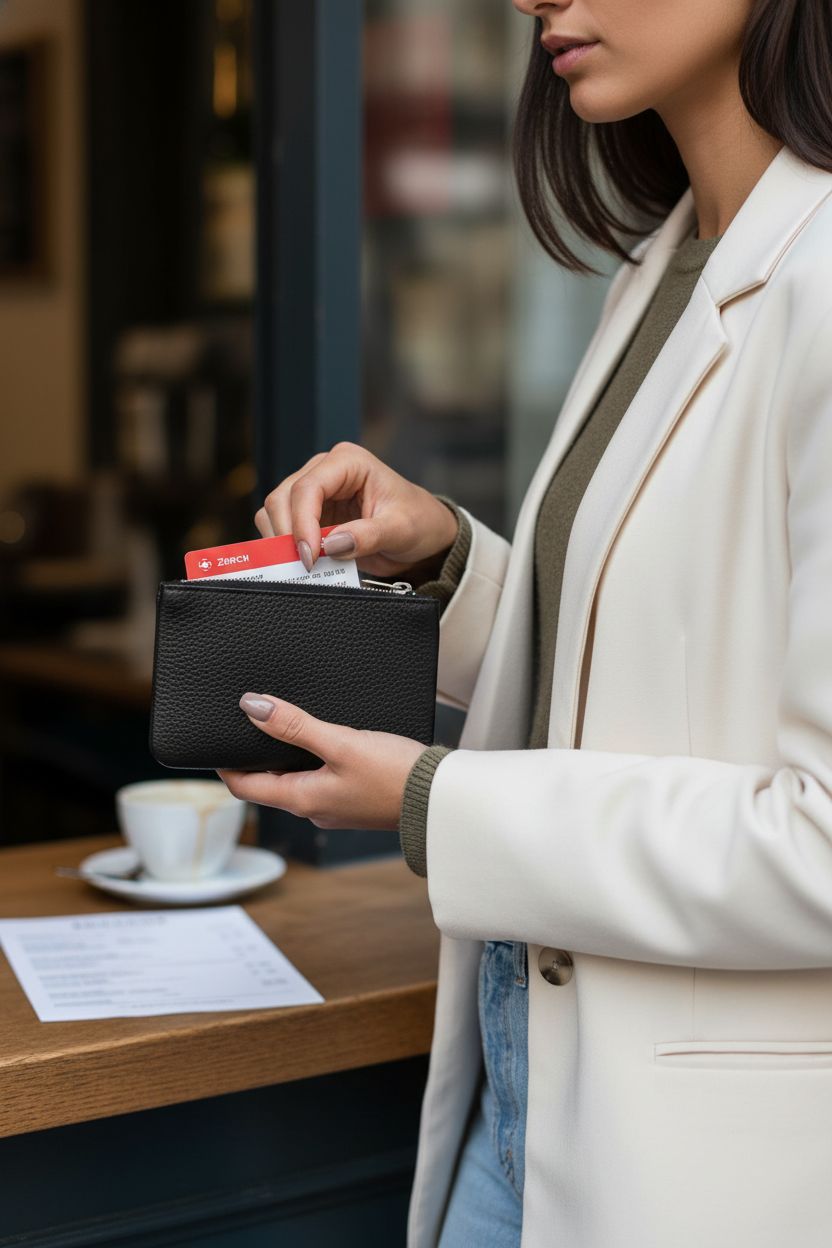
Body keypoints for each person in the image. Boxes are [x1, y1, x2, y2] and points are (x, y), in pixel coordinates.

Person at [219, 0, 832, 1244]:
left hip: (698, 1165)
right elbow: (651, 677)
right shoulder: (667, 264)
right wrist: (448, 562)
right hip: (530, 1086)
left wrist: (428, 802)